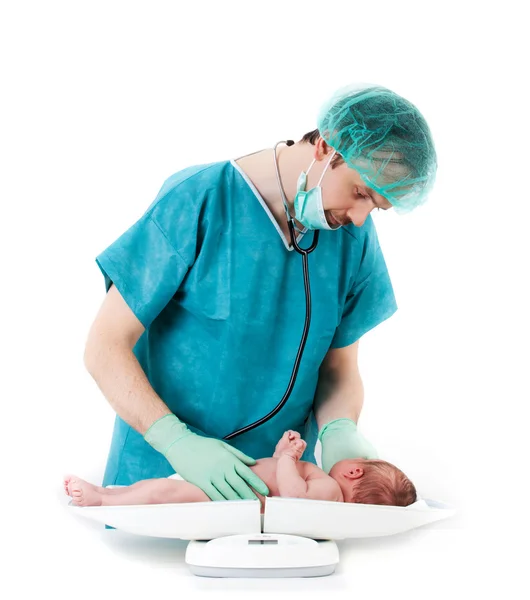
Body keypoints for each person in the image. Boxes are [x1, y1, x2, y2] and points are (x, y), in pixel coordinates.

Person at [84, 82, 437, 505]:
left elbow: (339, 366)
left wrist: (339, 428)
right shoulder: (200, 198)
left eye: (377, 207)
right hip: (167, 479)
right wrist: (176, 442)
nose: (360, 219)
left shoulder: (352, 238)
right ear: (326, 148)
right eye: (360, 193)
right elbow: (104, 347)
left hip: (285, 498)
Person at [64, 430, 417, 514]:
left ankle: (103, 498)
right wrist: (283, 455)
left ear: (354, 471)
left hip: (227, 491)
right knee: (160, 487)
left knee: (164, 493)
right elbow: (286, 484)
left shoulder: (329, 492)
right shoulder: (323, 484)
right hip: (225, 478)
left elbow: (293, 495)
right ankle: (109, 493)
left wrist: (287, 460)